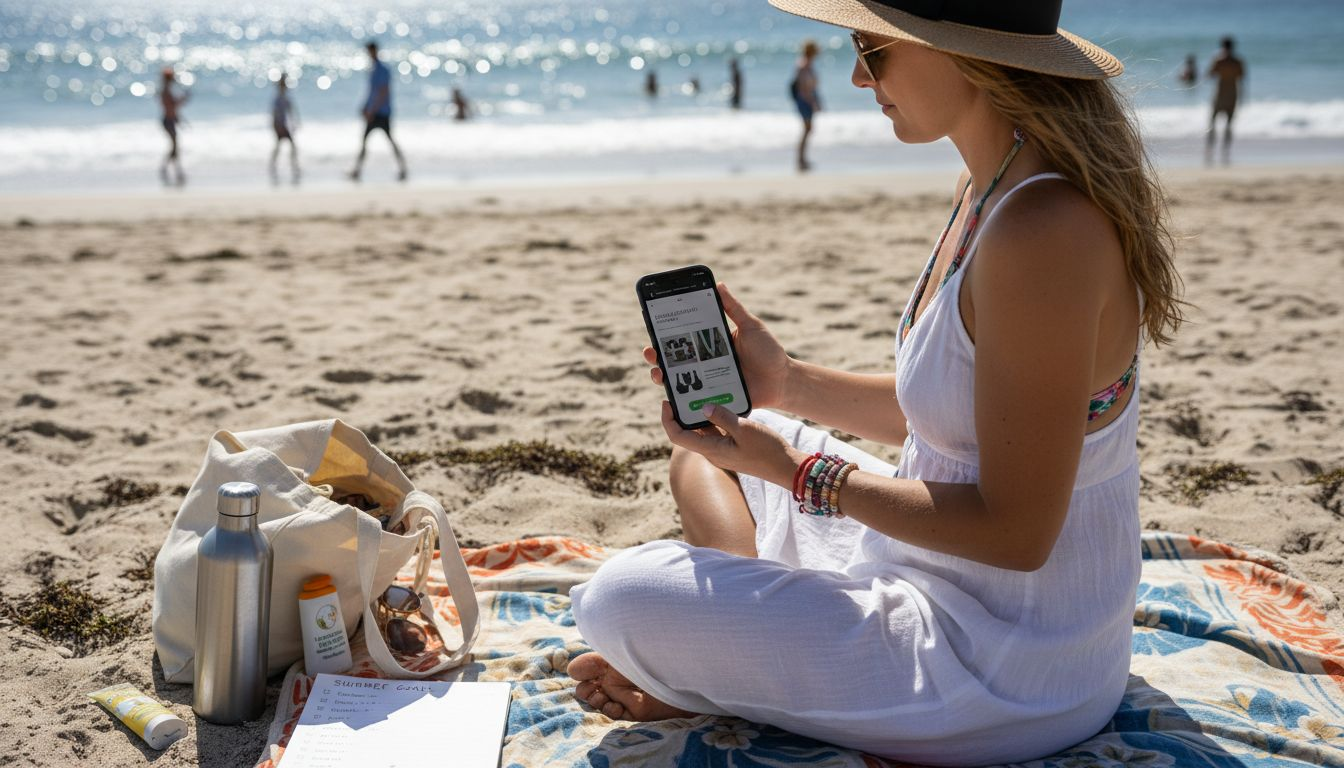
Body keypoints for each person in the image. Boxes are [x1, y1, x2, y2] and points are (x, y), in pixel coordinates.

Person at [569, 0, 1184, 764]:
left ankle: (732, 664)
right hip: (925, 577)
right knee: (707, 453)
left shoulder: (1043, 230)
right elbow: (960, 420)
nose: (859, 76)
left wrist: (797, 472)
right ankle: (746, 657)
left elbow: (1019, 534)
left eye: (874, 49)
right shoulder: (993, 187)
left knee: (617, 596)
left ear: (963, 50)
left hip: (1004, 671)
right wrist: (786, 383)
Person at [349, 41, 407, 182]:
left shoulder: (382, 69)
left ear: (374, 51)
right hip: (374, 111)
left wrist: (372, 110)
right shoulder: (374, 69)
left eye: (370, 51)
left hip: (381, 112)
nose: (369, 55)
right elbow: (372, 92)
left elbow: (383, 92)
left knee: (389, 140)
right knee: (365, 140)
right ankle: (357, 170)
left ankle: (403, 168)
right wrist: (365, 106)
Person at [1206, 37, 1246, 165]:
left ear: (1222, 46)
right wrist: (1243, 97)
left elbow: (1209, 75)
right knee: (1228, 125)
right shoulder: (1237, 61)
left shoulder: (1218, 60)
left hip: (1219, 95)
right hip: (1232, 95)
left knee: (1212, 123)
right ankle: (1225, 151)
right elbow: (1242, 78)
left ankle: (1210, 150)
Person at [790, 40, 821, 171]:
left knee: (807, 130)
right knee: (807, 130)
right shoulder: (803, 65)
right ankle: (800, 160)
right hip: (804, 101)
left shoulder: (807, 65)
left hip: (807, 100)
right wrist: (812, 102)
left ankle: (802, 159)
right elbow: (804, 88)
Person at [158, 67, 189, 186]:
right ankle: (170, 169)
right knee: (174, 147)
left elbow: (172, 108)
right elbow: (170, 107)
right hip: (168, 121)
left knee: (175, 147)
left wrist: (180, 119)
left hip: (170, 120)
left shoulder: (166, 90)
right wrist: (181, 100)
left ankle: (173, 170)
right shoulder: (166, 91)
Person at [270, 78, 300, 183]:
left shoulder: (285, 98)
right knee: (280, 147)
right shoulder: (278, 99)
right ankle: (273, 166)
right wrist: (275, 126)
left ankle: (294, 166)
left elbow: (291, 112)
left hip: (285, 126)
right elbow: (274, 114)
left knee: (291, 146)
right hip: (280, 126)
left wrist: (295, 123)